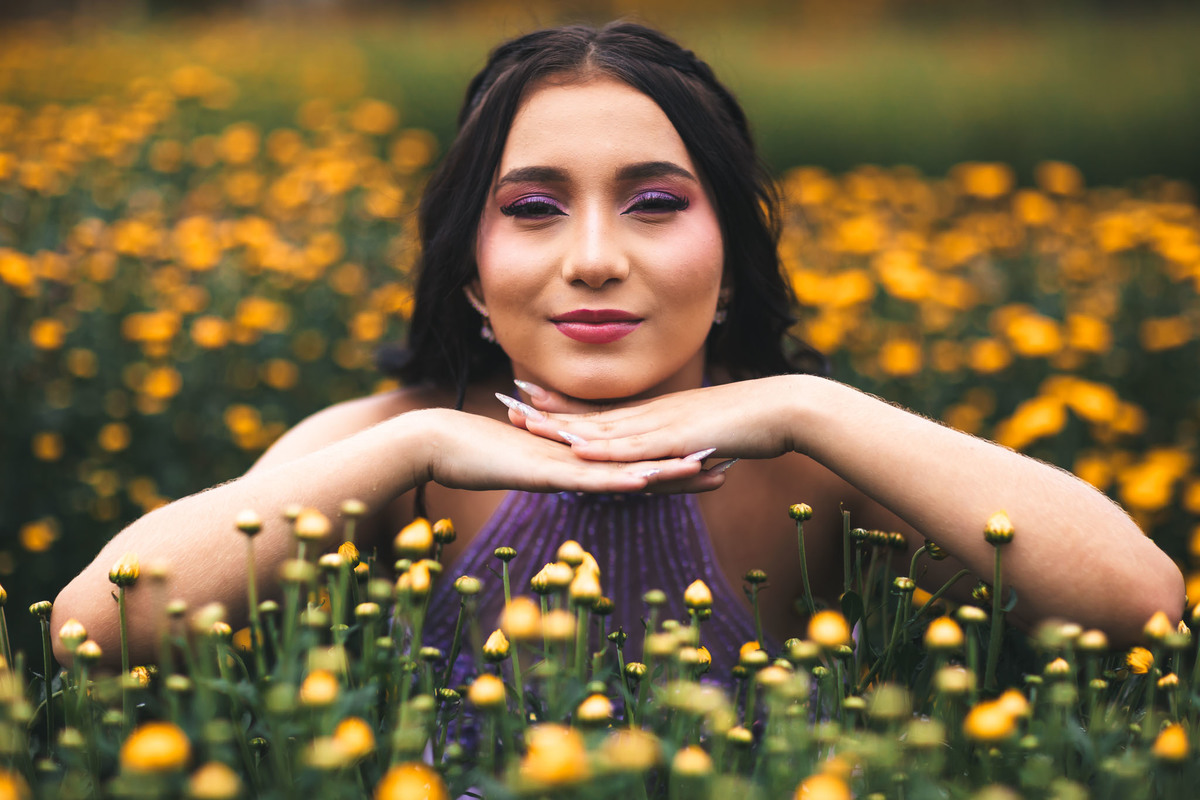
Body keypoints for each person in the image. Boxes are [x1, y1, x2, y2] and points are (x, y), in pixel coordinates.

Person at [52, 22, 1181, 673]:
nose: (594, 258)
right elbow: (92, 630)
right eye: (532, 208)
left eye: (655, 202)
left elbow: (1143, 609)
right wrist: (416, 446)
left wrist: (811, 408)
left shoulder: (817, 469)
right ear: (469, 271)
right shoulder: (388, 451)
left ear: (732, 259)